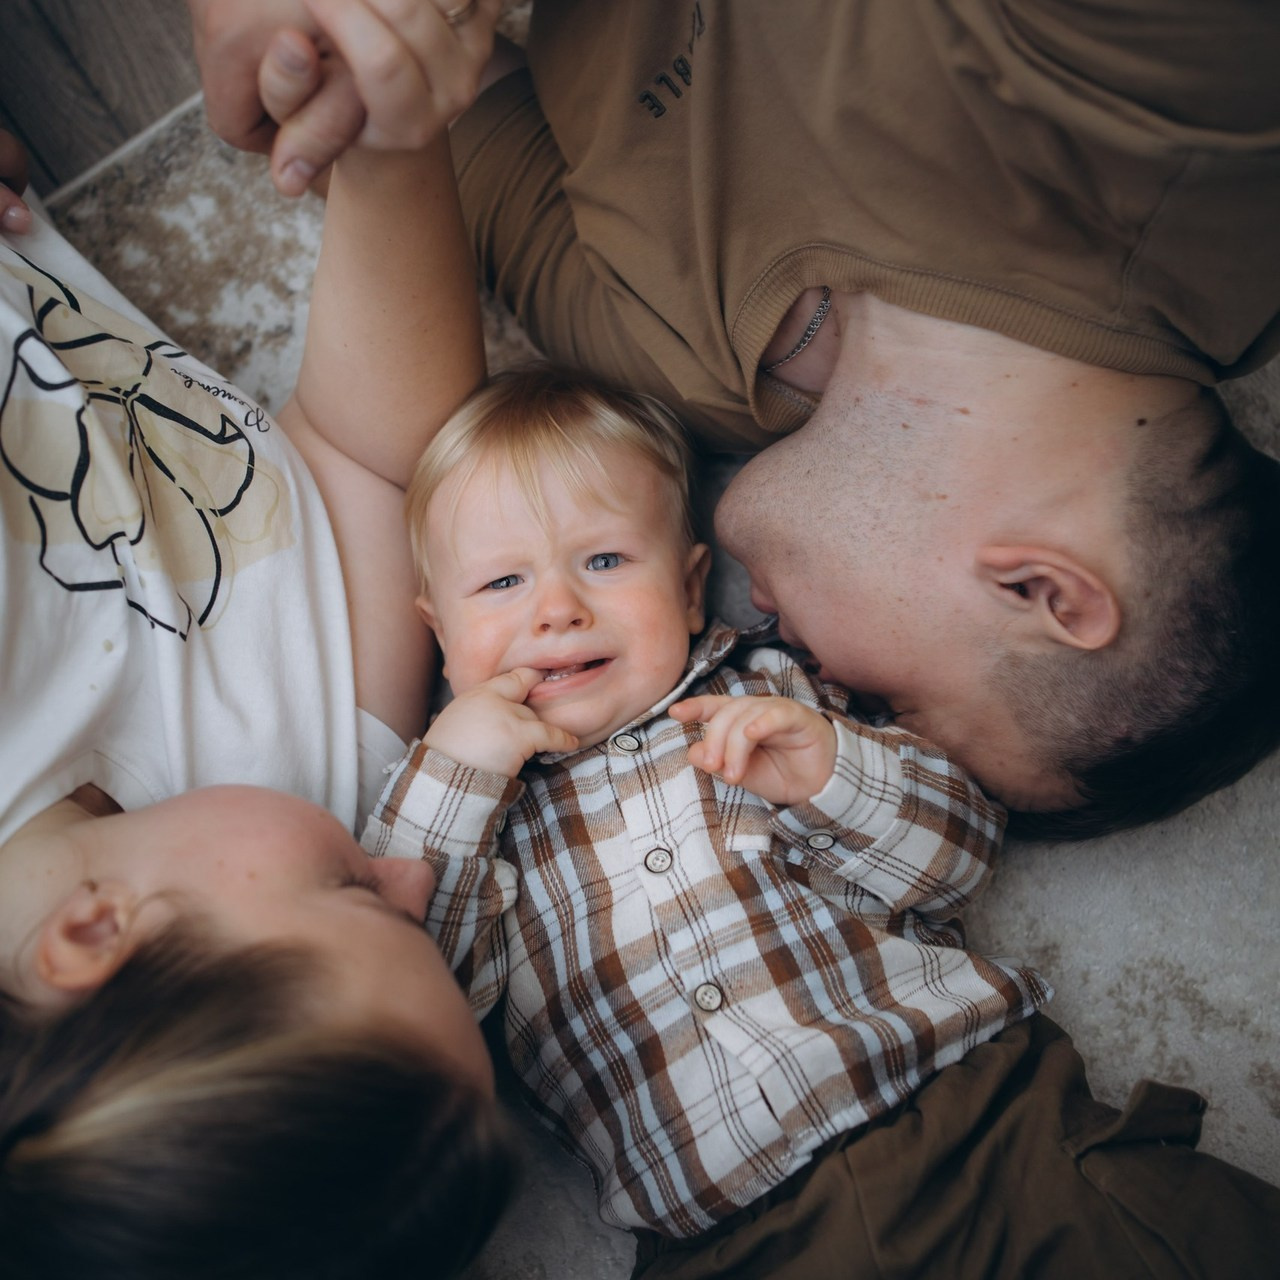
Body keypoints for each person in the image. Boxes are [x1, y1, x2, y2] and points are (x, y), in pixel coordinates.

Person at [185, 0, 1280, 840]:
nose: (809, 682)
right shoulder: (1209, 145)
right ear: (1039, 588)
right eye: (882, 701)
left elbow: (426, 114)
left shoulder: (671, 385)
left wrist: (324, 46)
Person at [361, 365, 1280, 1278]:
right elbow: (397, 997)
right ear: (438, 632)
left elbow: (956, 859)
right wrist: (453, 773)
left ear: (689, 591)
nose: (557, 609)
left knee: (1184, 1240)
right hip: (734, 1238)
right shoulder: (459, 818)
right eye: (501, 584)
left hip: (980, 1124)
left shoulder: (777, 697)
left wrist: (833, 771)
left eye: (604, 561)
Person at [0, 4, 515, 1276]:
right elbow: (383, 459)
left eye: (360, 900)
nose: (413, 874)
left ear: (97, 934)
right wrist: (393, 146)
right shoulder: (294, 778)